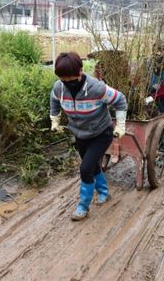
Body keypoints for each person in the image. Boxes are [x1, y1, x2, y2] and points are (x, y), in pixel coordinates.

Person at [50, 52, 128, 221]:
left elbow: (120, 99)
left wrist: (121, 125)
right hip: (80, 133)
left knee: (85, 169)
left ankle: (83, 206)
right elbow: (54, 100)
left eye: (71, 79)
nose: (68, 84)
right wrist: (54, 120)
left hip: (101, 133)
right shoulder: (59, 87)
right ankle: (104, 193)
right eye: (64, 80)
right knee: (92, 167)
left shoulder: (96, 88)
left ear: (80, 71)